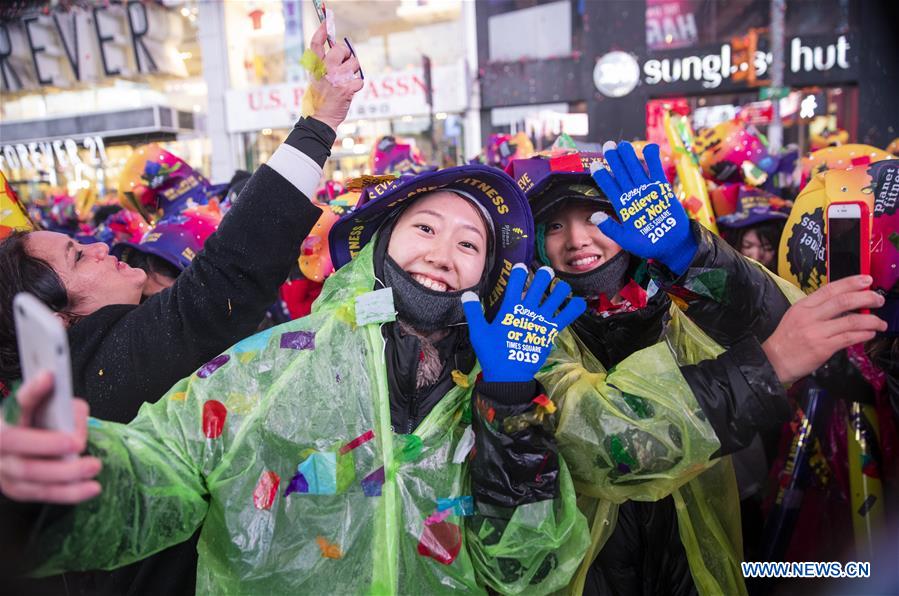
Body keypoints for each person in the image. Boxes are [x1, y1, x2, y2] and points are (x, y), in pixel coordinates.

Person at [0, 22, 361, 596]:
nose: (100, 247)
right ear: (53, 316)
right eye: (76, 256)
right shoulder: (105, 365)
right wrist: (319, 121)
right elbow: (227, 276)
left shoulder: (55, 391)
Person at [521, 141, 888, 595]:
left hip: (695, 572)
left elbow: (798, 326)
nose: (578, 241)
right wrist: (766, 367)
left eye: (597, 218)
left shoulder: (677, 308)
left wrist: (691, 256)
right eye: (554, 225)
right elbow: (594, 444)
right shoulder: (526, 327)